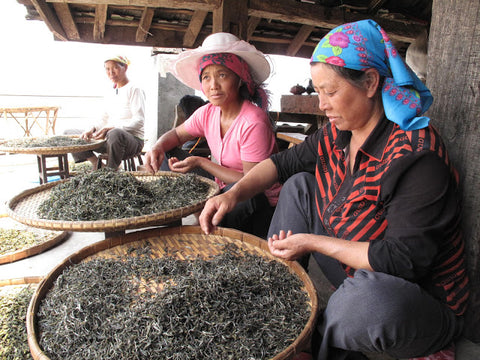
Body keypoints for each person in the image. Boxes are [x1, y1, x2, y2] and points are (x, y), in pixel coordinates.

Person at [199, 20, 469, 360]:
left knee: (363, 302)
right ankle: (276, 299)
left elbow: (402, 262)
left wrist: (310, 242)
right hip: (352, 270)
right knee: (298, 185)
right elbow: (281, 165)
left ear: (370, 82)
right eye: (318, 91)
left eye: (331, 92)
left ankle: (318, 345)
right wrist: (232, 194)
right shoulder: (337, 133)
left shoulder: (417, 156)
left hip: (411, 298)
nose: (322, 105)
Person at [144, 32, 281, 238]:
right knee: (167, 155)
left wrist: (201, 162)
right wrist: (157, 147)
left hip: (256, 197)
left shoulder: (253, 121)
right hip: (224, 187)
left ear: (240, 80)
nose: (213, 85)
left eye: (222, 75)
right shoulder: (208, 112)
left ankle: (210, 223)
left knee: (242, 200)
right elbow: (176, 135)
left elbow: (250, 181)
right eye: (206, 77)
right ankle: (179, 222)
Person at [68, 55, 145, 169]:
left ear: (125, 68)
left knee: (115, 133)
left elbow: (139, 120)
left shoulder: (134, 89)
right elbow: (103, 118)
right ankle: (97, 165)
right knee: (69, 133)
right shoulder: (110, 92)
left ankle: (111, 171)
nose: (111, 72)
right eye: (107, 69)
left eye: (115, 68)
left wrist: (112, 128)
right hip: (109, 139)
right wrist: (93, 129)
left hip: (131, 141)